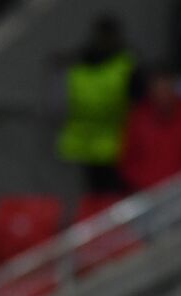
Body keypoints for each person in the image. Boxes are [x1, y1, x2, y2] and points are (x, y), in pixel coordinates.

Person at [57, 15, 139, 194]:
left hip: (114, 145)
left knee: (112, 200)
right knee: (87, 203)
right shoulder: (78, 62)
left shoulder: (126, 64)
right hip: (81, 145)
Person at [118, 65, 181, 192]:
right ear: (151, 91)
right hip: (150, 195)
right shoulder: (138, 118)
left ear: (174, 87)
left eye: (167, 88)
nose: (163, 95)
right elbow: (128, 161)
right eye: (158, 89)